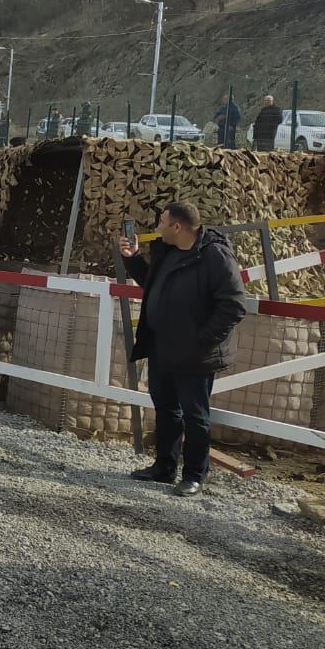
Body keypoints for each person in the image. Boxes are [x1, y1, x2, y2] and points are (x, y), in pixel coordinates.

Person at [120, 202, 247, 497]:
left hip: (195, 353)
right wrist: (133, 258)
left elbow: (233, 304)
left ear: (177, 226)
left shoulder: (215, 256)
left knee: (195, 415)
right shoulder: (168, 251)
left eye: (161, 221)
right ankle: (164, 467)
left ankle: (194, 475)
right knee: (166, 409)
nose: (156, 227)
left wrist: (201, 340)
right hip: (162, 346)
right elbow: (152, 285)